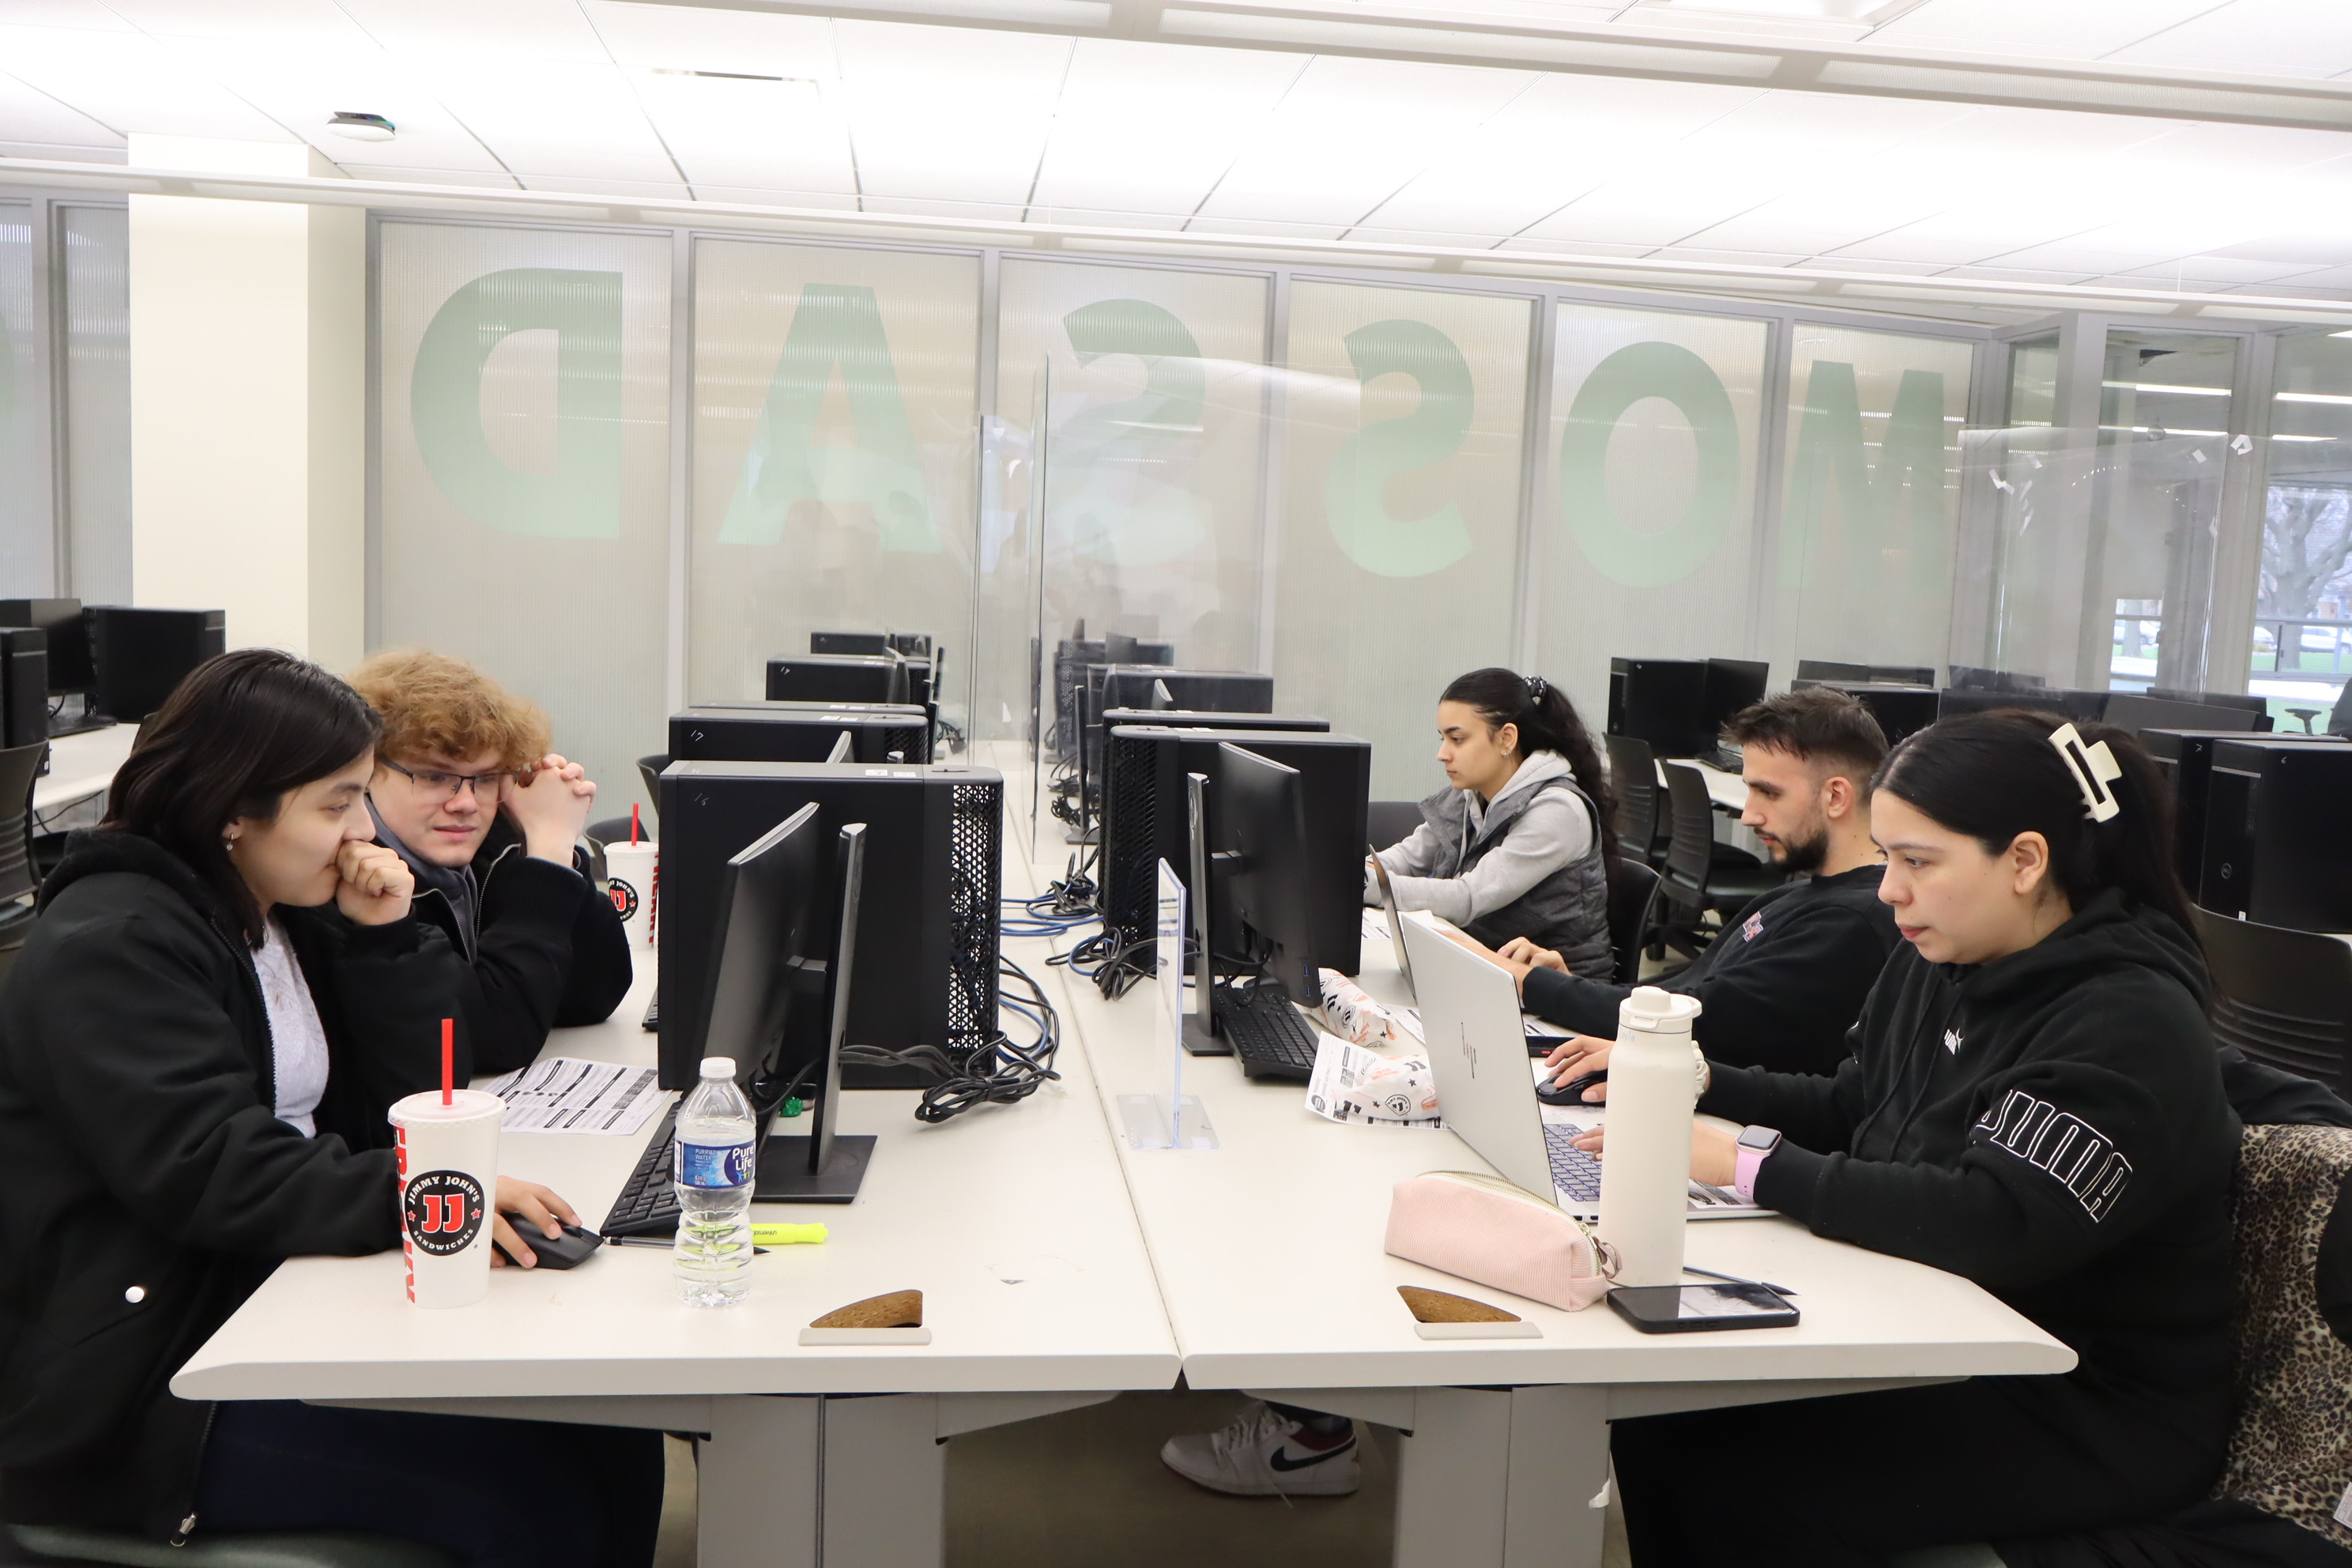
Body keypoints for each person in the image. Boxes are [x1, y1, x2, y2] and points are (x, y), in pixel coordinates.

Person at [0, 650, 661, 1566]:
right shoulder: (116, 943)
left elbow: (409, 1094)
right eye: (337, 803)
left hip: (274, 1294)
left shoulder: (278, 909)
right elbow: (213, 1166)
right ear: (233, 810)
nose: (362, 830)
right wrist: (428, 1196)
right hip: (147, 1384)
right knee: (516, 1499)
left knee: (609, 1431)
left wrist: (383, 941)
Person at [1567, 709, 2241, 1566]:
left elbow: (1997, 1221)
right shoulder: (1945, 959)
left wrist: (1749, 1164)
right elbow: (1860, 1104)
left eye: (1917, 861)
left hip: (2085, 1399)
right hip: (1951, 1326)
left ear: (2025, 861)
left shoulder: (2127, 1018)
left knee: (1731, 1478)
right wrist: (1693, 1084)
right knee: (1662, 1416)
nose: (1889, 890)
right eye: (1887, 857)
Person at [1492, 685, 1898, 1076]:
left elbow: (1699, 1018)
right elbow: (1682, 991)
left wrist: (1531, 984)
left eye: (1769, 793)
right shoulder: (1798, 895)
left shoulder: (1851, 925)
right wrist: (1569, 985)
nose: (1749, 815)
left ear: (1836, 797)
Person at [349, 650, 631, 1078]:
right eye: (435, 777)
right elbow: (495, 1038)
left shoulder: (492, 847)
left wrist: (545, 845)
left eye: (485, 779)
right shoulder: (360, 881)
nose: (465, 803)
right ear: (367, 772)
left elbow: (592, 996)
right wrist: (548, 857)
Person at [1367, 667, 1617, 978]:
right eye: (1443, 739)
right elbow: (1409, 857)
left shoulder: (1558, 810)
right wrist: (1358, 873)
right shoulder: (1470, 793)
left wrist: (1365, 885)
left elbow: (1469, 896)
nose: (1442, 754)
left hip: (1557, 986)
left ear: (1506, 739)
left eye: (1457, 739)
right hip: (1485, 965)